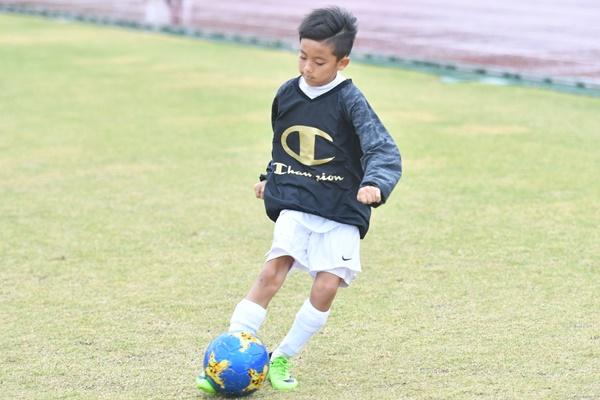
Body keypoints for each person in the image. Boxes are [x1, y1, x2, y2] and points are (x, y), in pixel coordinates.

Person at [196, 6, 401, 394]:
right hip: (298, 202)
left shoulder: (351, 100)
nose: (308, 68)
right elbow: (284, 146)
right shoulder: (287, 94)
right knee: (271, 272)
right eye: (302, 56)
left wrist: (375, 183)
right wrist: (271, 179)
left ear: (342, 62)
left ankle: (282, 356)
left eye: (319, 62)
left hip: (341, 208)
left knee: (325, 287)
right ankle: (227, 357)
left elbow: (383, 149)